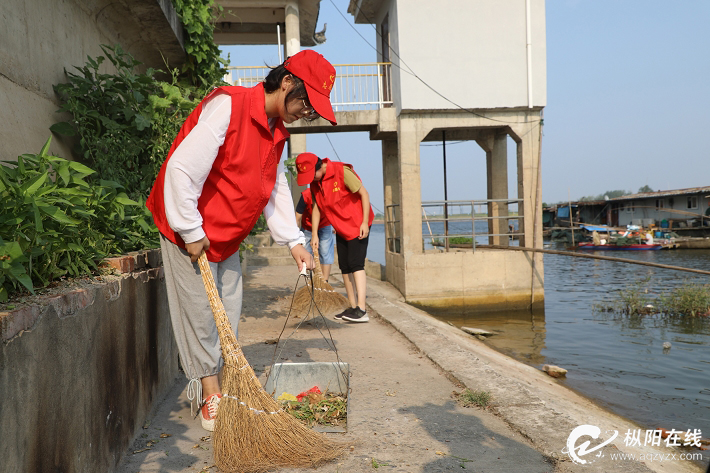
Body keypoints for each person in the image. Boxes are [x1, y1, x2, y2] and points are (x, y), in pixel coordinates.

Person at [145, 50, 337, 431]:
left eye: (312, 110)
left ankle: (221, 383)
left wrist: (293, 241)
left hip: (227, 234)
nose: (306, 113)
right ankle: (210, 394)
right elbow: (181, 168)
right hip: (190, 230)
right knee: (200, 313)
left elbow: (274, 186)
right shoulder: (228, 107)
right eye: (306, 103)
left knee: (227, 312)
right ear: (286, 84)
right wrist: (191, 229)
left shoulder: (276, 130)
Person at [295, 153, 373, 323]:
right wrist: (314, 234)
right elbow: (316, 208)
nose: (311, 179)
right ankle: (352, 307)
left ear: (318, 167)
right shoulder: (315, 183)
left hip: (357, 224)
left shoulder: (341, 171)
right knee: (344, 266)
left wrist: (365, 222)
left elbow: (364, 194)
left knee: (356, 264)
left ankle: (362, 310)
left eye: (311, 174)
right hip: (341, 227)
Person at [295, 189, 335, 281]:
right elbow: (297, 217)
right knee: (307, 253)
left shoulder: (329, 194)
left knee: (325, 252)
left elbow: (335, 210)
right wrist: (296, 237)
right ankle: (316, 280)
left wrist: (337, 227)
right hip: (307, 227)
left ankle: (325, 281)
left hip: (325, 224)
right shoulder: (305, 196)